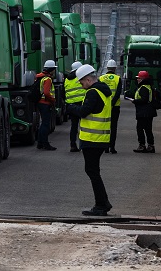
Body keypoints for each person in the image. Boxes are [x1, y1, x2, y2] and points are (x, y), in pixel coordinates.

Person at [68, 64, 113, 216]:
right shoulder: (104, 91)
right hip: (100, 138)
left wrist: (70, 108)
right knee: (93, 171)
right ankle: (103, 203)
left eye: (82, 83)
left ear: (88, 79)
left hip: (92, 139)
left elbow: (83, 112)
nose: (81, 86)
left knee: (92, 172)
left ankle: (101, 205)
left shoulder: (93, 92)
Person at [99, 60, 123, 154]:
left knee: (105, 127)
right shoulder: (118, 78)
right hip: (115, 107)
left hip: (104, 106)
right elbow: (118, 93)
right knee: (113, 127)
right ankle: (112, 147)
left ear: (107, 68)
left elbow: (99, 92)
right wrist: (112, 103)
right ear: (115, 68)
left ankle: (105, 147)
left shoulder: (101, 78)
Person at [131, 70, 158, 153]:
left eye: (139, 78)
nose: (137, 80)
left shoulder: (143, 88)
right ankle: (150, 146)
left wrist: (135, 101)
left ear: (142, 79)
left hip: (144, 112)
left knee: (140, 128)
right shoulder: (148, 86)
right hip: (148, 112)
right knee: (148, 129)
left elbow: (144, 99)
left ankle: (142, 145)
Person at [35, 59, 58, 150]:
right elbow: (47, 93)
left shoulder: (39, 77)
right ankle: (45, 143)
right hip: (45, 103)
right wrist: (53, 100)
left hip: (40, 102)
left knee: (43, 124)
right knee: (45, 124)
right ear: (51, 69)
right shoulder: (47, 79)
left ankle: (40, 143)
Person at [63, 61, 85, 152]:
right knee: (84, 126)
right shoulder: (80, 77)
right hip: (81, 104)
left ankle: (73, 145)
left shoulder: (67, 79)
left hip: (71, 105)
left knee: (74, 126)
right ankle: (83, 145)